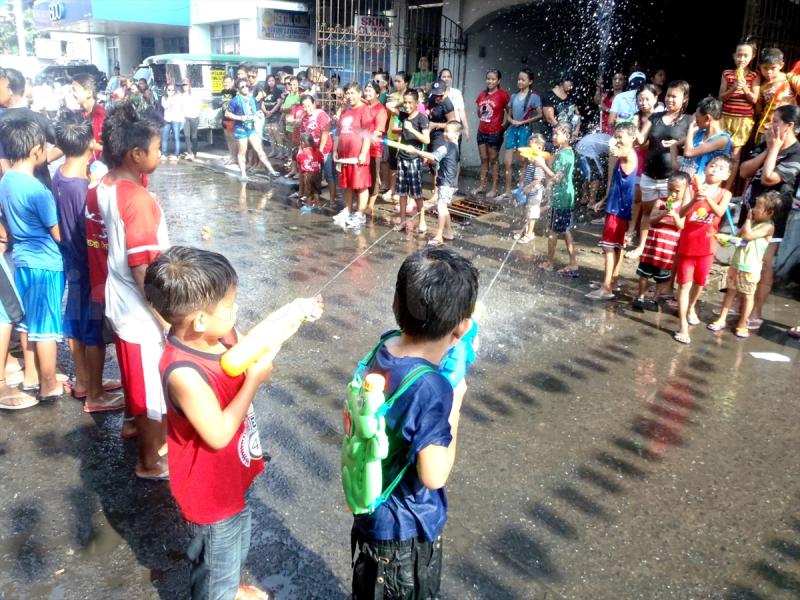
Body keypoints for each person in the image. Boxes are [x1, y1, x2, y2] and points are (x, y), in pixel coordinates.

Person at [144, 246, 276, 600]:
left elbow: (253, 344)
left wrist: (296, 315)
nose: (236, 310)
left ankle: (227, 586)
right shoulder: (183, 373)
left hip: (230, 476)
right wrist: (252, 381)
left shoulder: (219, 337)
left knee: (236, 541)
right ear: (200, 320)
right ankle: (219, 591)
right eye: (230, 304)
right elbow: (217, 434)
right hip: (210, 491)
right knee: (220, 550)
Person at [350, 246, 476, 600]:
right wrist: (456, 400)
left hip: (371, 504)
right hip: (406, 530)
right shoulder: (434, 387)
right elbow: (433, 474)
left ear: (396, 305)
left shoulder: (385, 347)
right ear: (462, 327)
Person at [93, 102, 170, 479]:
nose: (161, 154)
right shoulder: (137, 200)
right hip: (139, 314)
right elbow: (142, 269)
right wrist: (166, 318)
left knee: (137, 381)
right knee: (149, 393)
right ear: (136, 155)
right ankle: (150, 460)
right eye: (156, 149)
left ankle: (138, 429)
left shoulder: (107, 183)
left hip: (120, 302)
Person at [52, 112, 125, 413]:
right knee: (94, 330)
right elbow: (94, 229)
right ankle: (95, 394)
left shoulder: (60, 175)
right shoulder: (83, 188)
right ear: (89, 142)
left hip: (71, 259)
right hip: (89, 264)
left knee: (76, 322)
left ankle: (84, 381)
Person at [0, 117, 65, 401]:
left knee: (28, 322)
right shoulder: (39, 191)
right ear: (35, 149)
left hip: (22, 261)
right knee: (47, 327)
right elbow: (59, 234)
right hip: (46, 264)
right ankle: (49, 383)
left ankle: (31, 375)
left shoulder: (6, 182)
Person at [738, 105, 800, 330]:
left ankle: (755, 311)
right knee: (742, 259)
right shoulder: (766, 143)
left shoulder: (796, 153)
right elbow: (744, 171)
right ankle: (740, 305)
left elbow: (767, 178)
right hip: (750, 210)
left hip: (772, 219)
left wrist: (774, 149)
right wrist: (767, 150)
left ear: (789, 125)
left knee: (763, 264)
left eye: (776, 121)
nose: (771, 126)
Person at [628, 80, 692, 261]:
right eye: (668, 96)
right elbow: (641, 140)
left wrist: (677, 143)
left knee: (669, 215)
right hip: (649, 174)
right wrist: (632, 124)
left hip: (671, 179)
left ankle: (665, 253)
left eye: (675, 96)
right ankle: (642, 247)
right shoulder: (655, 118)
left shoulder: (688, 120)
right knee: (648, 213)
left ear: (684, 98)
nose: (670, 99)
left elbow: (692, 143)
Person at [671, 155, 733, 344]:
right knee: (684, 285)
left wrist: (706, 197)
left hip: (707, 247)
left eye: (721, 168)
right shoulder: (691, 188)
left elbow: (720, 212)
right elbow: (681, 213)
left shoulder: (725, 193)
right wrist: (694, 199)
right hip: (687, 244)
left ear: (727, 175)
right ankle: (682, 325)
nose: (715, 170)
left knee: (699, 282)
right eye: (712, 166)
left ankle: (691, 307)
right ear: (705, 169)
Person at [708, 191, 780, 338]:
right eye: (755, 205)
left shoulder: (768, 226)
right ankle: (722, 318)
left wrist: (747, 219)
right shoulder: (752, 223)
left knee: (747, 296)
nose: (754, 208)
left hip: (750, 268)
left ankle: (742, 323)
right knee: (730, 292)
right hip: (736, 264)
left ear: (770, 212)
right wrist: (727, 239)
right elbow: (738, 236)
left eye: (759, 206)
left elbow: (747, 236)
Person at [587, 122, 639, 300]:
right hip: (616, 206)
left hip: (618, 211)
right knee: (617, 248)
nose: (616, 140)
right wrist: (604, 199)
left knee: (608, 249)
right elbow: (616, 182)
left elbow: (620, 152)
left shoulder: (629, 155)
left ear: (632, 138)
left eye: (620, 137)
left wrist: (613, 147)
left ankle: (607, 288)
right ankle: (612, 282)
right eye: (615, 136)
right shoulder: (623, 156)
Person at [632, 171, 691, 311]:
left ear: (685, 191)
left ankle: (655, 299)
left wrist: (675, 215)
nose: (673, 194)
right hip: (652, 246)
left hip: (667, 250)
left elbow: (681, 226)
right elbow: (651, 220)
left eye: (677, 191)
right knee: (644, 273)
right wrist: (664, 213)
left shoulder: (683, 208)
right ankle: (640, 296)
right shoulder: (660, 202)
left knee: (661, 276)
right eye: (670, 189)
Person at [399, 121, 462, 246]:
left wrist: (416, 152)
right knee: (444, 207)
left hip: (446, 182)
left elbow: (434, 157)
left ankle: (439, 236)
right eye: (444, 130)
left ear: (456, 135)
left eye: (448, 131)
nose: (445, 133)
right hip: (449, 182)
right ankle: (448, 232)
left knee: (441, 207)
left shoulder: (448, 146)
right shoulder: (455, 147)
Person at [0, 68, 58, 188]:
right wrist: (45, 158)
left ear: (9, 90)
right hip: (40, 185)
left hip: (11, 189)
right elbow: (64, 141)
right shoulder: (38, 118)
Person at [535, 123, 578, 275]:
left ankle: (550, 262)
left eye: (556, 134)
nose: (553, 137)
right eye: (553, 134)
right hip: (565, 197)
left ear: (567, 137)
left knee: (553, 231)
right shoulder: (565, 151)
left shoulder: (565, 155)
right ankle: (573, 262)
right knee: (565, 230)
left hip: (562, 198)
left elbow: (558, 179)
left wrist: (542, 165)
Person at [332, 82, 373, 229]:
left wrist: (363, 153)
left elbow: (368, 134)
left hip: (358, 156)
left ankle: (360, 214)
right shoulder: (345, 111)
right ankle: (347, 210)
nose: (349, 96)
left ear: (359, 94)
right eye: (347, 93)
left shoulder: (364, 110)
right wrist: (335, 150)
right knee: (347, 184)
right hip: (345, 156)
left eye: (352, 93)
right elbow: (338, 132)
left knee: (361, 185)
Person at [719, 40, 761, 183]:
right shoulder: (727, 74)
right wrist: (733, 88)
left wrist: (744, 88)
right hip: (725, 117)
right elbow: (721, 97)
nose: (742, 59)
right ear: (733, 56)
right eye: (739, 55)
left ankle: (727, 189)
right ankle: (716, 185)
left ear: (752, 56)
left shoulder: (755, 76)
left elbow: (754, 99)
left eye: (745, 56)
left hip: (743, 121)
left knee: (735, 156)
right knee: (720, 152)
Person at [225, 79, 279, 182]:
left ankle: (272, 171)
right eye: (242, 87)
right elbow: (227, 114)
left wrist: (258, 114)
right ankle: (243, 174)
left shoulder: (252, 99)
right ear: (237, 89)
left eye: (246, 86)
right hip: (240, 129)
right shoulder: (235, 100)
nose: (245, 88)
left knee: (259, 149)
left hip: (251, 128)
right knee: (242, 151)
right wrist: (240, 118)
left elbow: (257, 110)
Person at [500, 69, 542, 200]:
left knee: (522, 162)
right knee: (507, 162)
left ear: (530, 81)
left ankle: (520, 189)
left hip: (525, 129)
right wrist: (511, 120)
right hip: (513, 129)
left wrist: (523, 121)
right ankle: (507, 191)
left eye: (523, 80)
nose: (520, 81)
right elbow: (509, 112)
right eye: (519, 79)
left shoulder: (534, 97)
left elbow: (540, 114)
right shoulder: (513, 96)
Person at [394, 89, 431, 232]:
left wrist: (412, 130)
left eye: (410, 103)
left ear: (417, 103)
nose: (407, 105)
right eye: (406, 102)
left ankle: (422, 222)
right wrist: (401, 102)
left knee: (417, 193)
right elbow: (389, 106)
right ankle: (403, 221)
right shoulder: (404, 115)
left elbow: (426, 139)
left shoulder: (422, 118)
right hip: (402, 158)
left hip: (414, 159)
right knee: (402, 193)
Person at [474, 69, 510, 198]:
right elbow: (479, 113)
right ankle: (482, 186)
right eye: (488, 79)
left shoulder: (502, 95)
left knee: (493, 160)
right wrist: (481, 110)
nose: (490, 81)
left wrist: (504, 126)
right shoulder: (482, 94)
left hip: (495, 132)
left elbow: (509, 111)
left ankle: (494, 188)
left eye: (493, 79)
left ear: (498, 81)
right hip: (482, 131)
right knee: (484, 159)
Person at [755, 48, 800, 142]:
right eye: (765, 68)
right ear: (760, 66)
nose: (769, 72)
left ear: (781, 65)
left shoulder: (789, 78)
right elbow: (759, 108)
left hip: (787, 126)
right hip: (767, 126)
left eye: (773, 68)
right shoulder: (762, 86)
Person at [681, 96, 733, 179]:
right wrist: (674, 163)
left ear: (707, 118)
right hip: (687, 180)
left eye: (697, 117)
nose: (695, 120)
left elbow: (688, 153)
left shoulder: (722, 139)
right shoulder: (700, 133)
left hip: (702, 185)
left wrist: (691, 129)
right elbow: (675, 145)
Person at [513, 133, 548, 244]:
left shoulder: (538, 162)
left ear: (539, 147)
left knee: (532, 213)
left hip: (535, 191)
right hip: (530, 190)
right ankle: (524, 230)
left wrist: (527, 187)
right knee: (526, 211)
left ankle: (529, 234)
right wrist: (522, 184)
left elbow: (538, 179)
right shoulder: (532, 161)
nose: (528, 148)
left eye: (530, 145)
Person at [383, 72, 411, 203]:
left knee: (405, 164)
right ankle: (392, 189)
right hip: (392, 133)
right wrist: (396, 105)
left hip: (405, 135)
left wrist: (397, 105)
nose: (396, 83)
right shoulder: (392, 95)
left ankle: (404, 191)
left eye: (399, 81)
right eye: (395, 81)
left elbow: (406, 110)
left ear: (406, 82)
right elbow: (388, 108)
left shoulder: (410, 96)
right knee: (393, 163)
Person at [363, 82, 388, 215]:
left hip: (373, 149)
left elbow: (379, 131)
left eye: (370, 90)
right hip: (360, 148)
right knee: (363, 176)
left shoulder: (381, 110)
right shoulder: (363, 106)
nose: (367, 93)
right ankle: (363, 201)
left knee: (374, 176)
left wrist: (366, 137)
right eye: (366, 90)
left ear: (377, 94)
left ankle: (371, 206)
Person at [71, 73, 105, 163]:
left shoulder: (100, 114)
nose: (72, 93)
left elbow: (106, 147)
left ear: (89, 93)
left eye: (75, 90)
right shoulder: (82, 113)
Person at [542, 72, 580, 146]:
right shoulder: (549, 96)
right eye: (568, 80)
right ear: (561, 81)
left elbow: (577, 115)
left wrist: (576, 131)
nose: (571, 83)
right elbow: (550, 118)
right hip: (553, 136)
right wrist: (564, 132)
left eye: (571, 81)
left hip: (569, 137)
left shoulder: (571, 97)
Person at [296, 133, 324, 213]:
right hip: (316, 174)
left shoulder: (302, 153)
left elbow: (298, 160)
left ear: (302, 143)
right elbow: (321, 160)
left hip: (307, 175)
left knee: (308, 192)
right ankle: (318, 205)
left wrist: (299, 150)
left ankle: (308, 206)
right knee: (316, 191)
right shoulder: (317, 150)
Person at [261, 75, 283, 158]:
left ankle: (280, 152)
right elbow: (262, 102)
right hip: (267, 115)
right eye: (269, 81)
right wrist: (265, 111)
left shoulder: (278, 91)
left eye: (272, 80)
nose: (271, 82)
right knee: (270, 134)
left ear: (275, 81)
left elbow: (279, 103)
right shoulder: (264, 91)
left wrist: (271, 111)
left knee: (276, 134)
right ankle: (273, 151)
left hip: (275, 115)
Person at [181, 78, 202, 161]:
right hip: (185, 118)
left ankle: (195, 152)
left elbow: (199, 105)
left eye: (186, 85)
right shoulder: (181, 95)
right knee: (186, 135)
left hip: (194, 117)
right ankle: (190, 153)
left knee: (194, 136)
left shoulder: (194, 94)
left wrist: (196, 114)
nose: (184, 86)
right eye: (183, 85)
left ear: (189, 85)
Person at [160, 83, 183, 161]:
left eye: (173, 90)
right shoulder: (164, 98)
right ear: (166, 90)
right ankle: (164, 153)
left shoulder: (178, 97)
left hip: (176, 119)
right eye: (169, 89)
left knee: (176, 137)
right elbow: (165, 106)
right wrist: (170, 98)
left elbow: (178, 107)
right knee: (164, 137)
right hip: (167, 119)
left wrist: (173, 99)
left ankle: (176, 154)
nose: (171, 91)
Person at [220, 75, 239, 166]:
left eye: (228, 82)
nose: (226, 83)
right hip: (224, 117)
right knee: (228, 139)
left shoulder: (234, 92)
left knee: (233, 139)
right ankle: (231, 156)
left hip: (231, 118)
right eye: (224, 82)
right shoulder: (223, 92)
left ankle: (235, 158)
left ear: (232, 82)